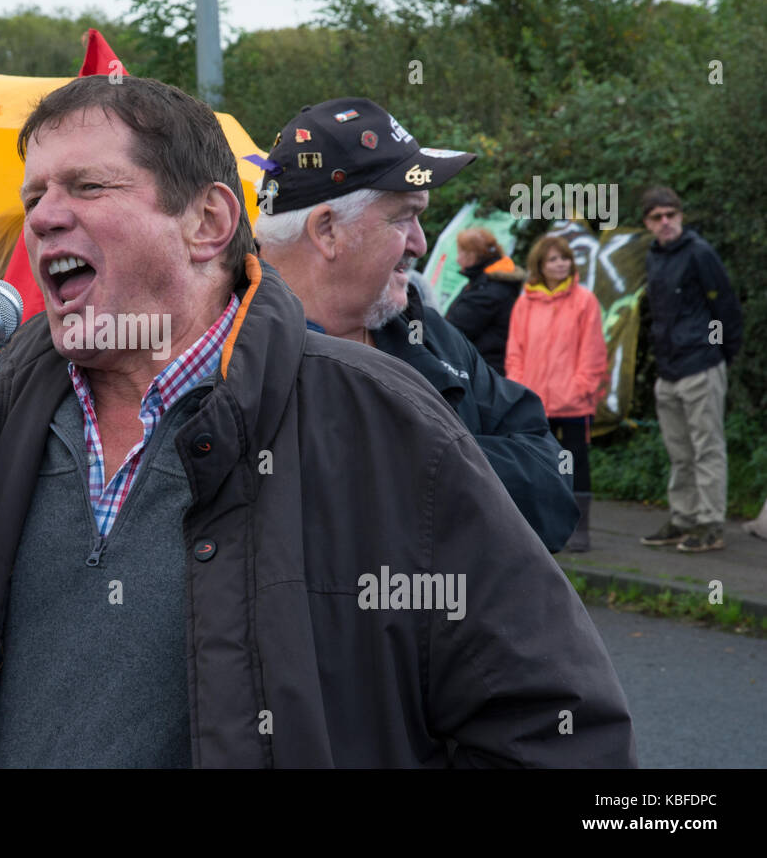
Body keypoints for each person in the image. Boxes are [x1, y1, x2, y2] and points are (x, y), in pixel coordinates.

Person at [0, 76, 634, 768]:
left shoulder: (377, 419)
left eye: (86, 186)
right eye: (35, 190)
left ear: (208, 221)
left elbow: (555, 725)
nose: (43, 216)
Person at [253, 99, 578, 554]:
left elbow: (550, 485)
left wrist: (409, 466)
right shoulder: (224, 359)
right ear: (326, 230)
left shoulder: (426, 336)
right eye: (403, 216)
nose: (420, 243)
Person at [638, 187, 742, 553]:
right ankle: (683, 519)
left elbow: (726, 306)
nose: (665, 222)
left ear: (681, 215)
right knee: (679, 451)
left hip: (701, 364)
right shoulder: (654, 257)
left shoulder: (699, 253)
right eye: (657, 217)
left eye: (671, 214)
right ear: (647, 223)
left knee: (707, 448)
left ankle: (711, 523)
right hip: (668, 369)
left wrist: (719, 353)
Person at [506, 235, 608, 552]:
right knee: (537, 463)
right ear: (540, 264)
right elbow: (515, 351)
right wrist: (520, 387)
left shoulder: (584, 301)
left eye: (564, 258)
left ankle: (579, 529)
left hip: (574, 402)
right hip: (534, 401)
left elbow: (593, 351)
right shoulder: (525, 302)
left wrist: (581, 387)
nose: (560, 264)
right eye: (552, 259)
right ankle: (539, 527)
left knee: (576, 463)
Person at [444, 227, 526, 375]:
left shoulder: (487, 290)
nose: (457, 259)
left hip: (483, 369)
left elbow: (454, 330)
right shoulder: (490, 281)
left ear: (472, 255)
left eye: (461, 253)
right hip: (487, 366)